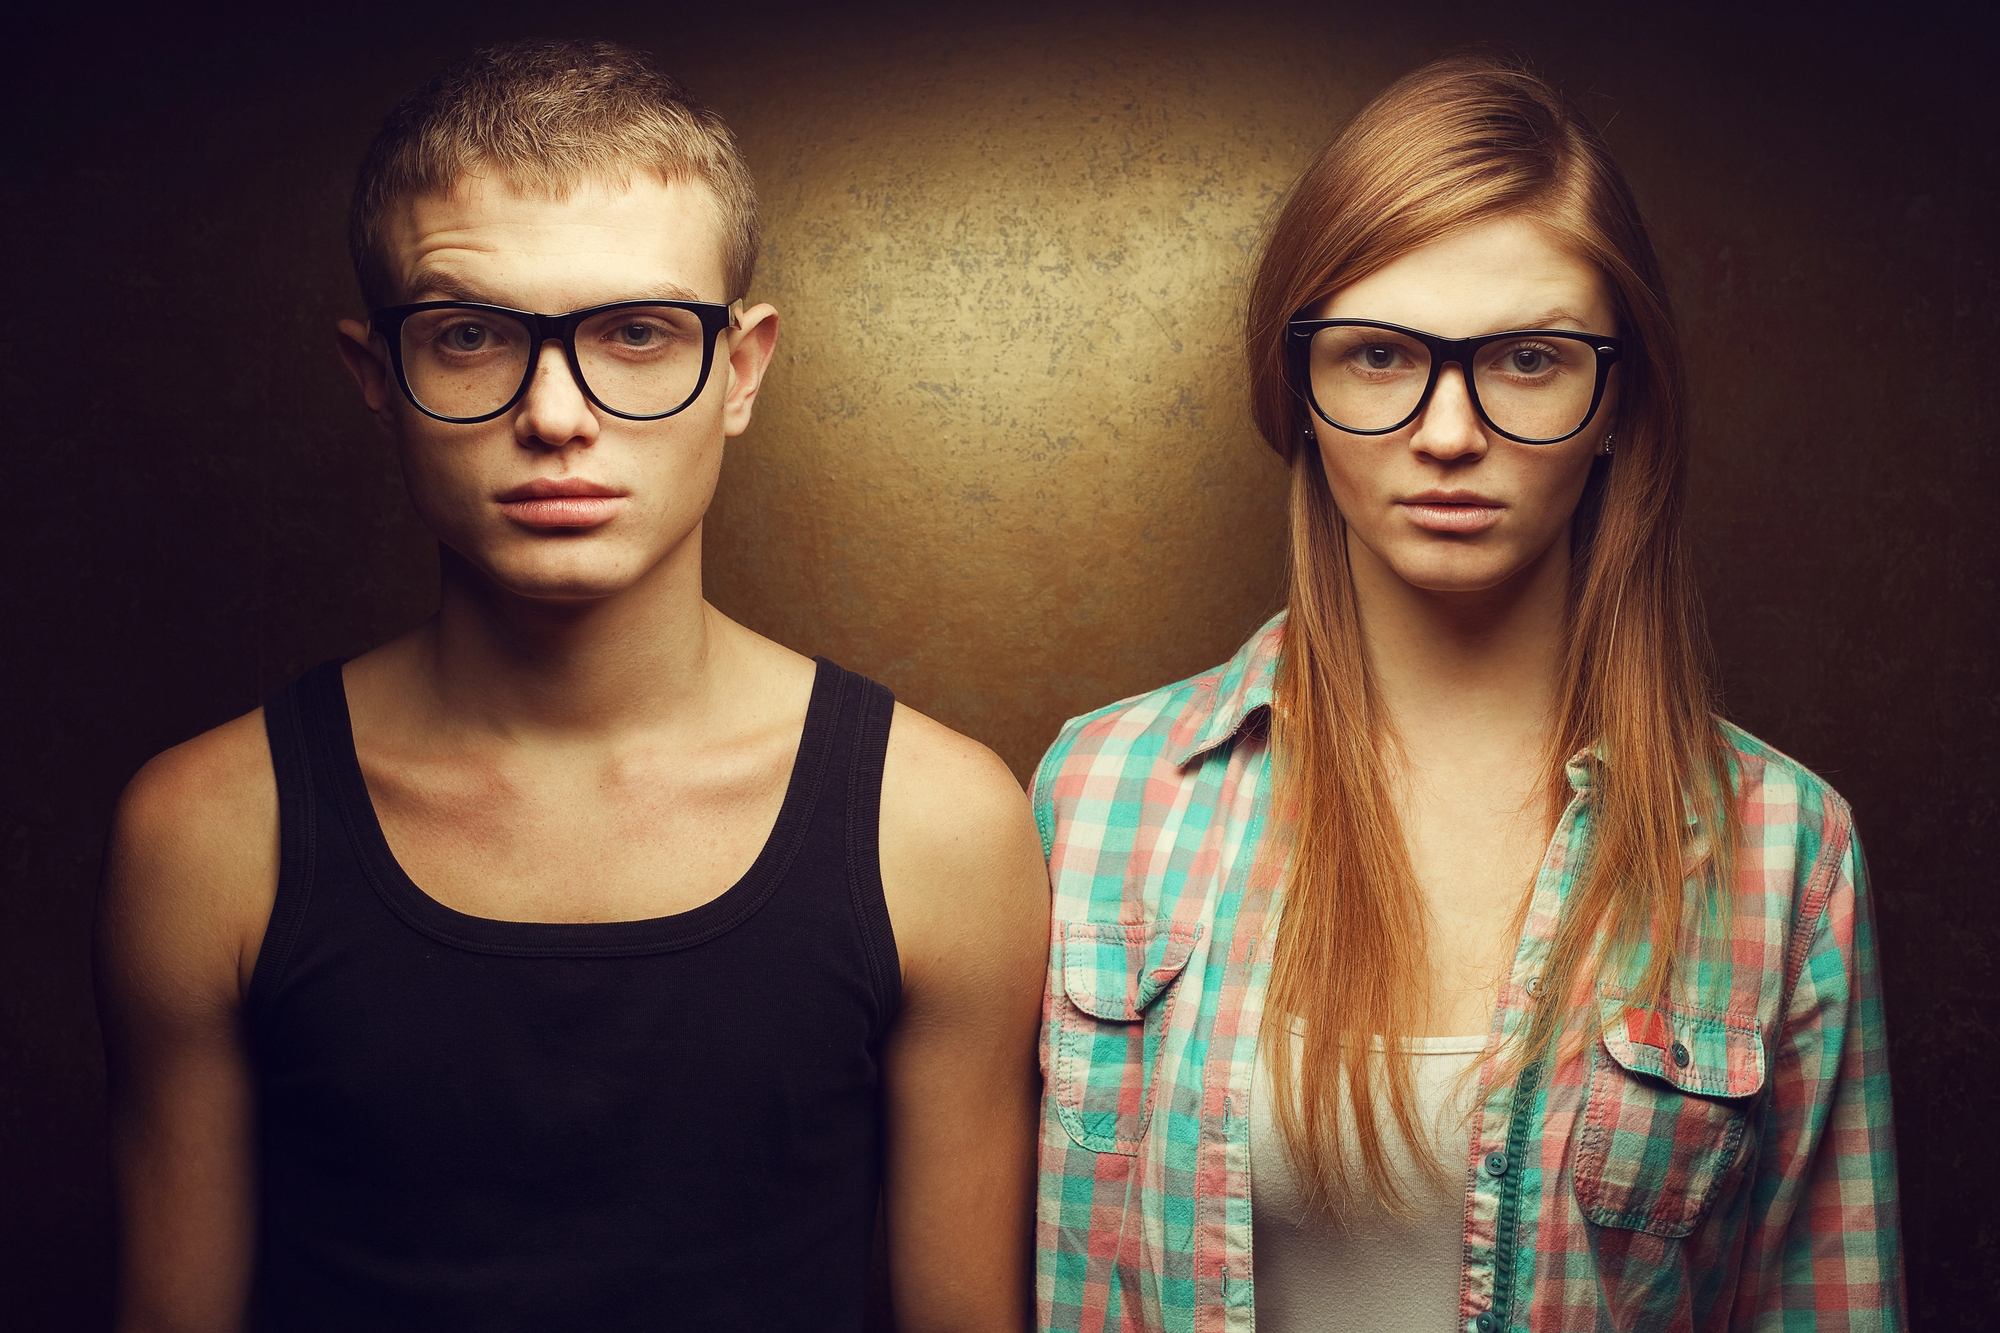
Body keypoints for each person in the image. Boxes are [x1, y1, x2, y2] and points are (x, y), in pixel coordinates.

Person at [96, 39, 1047, 1332]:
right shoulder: (206, 833)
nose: (555, 412)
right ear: (378, 379)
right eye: (472, 335)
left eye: (638, 332)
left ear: (743, 369)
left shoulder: (937, 826)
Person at [1031, 56, 1902, 1333]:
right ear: (1301, 390)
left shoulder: (1784, 850)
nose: (1447, 430)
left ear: (1614, 399)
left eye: (1527, 359)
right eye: (1380, 354)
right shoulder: (1099, 794)